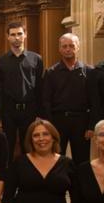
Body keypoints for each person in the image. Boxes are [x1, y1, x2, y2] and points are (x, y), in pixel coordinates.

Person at [40, 33, 100, 165]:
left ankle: (80, 186)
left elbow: (95, 101)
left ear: (78, 47)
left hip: (82, 121)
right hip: (58, 121)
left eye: (71, 46)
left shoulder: (89, 71)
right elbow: (46, 101)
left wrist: (91, 126)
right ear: (60, 49)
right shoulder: (51, 72)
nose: (68, 49)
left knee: (82, 161)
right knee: (56, 159)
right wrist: (49, 126)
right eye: (65, 46)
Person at [0, 22, 44, 154]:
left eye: (20, 34)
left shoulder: (36, 59)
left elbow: (40, 87)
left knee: (29, 147)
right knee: (6, 147)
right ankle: (7, 174)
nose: (17, 37)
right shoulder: (0, 61)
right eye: (13, 34)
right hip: (8, 111)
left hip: (30, 110)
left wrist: (40, 114)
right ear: (8, 37)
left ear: (25, 35)